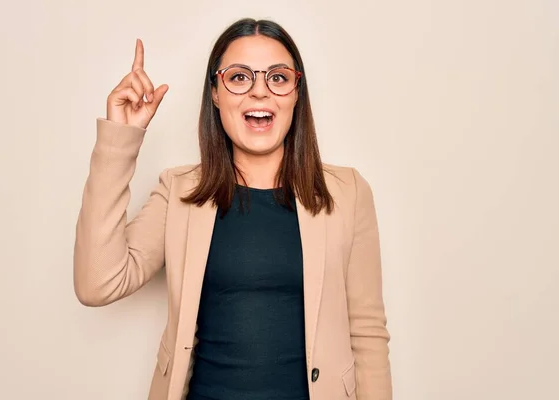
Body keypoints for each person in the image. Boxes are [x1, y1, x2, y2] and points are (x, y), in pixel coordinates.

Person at [73, 18, 392, 400]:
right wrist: (120, 139)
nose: (260, 92)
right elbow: (97, 283)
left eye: (277, 78)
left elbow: (367, 334)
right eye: (239, 77)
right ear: (215, 93)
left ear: (296, 93)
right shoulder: (179, 191)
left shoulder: (348, 193)